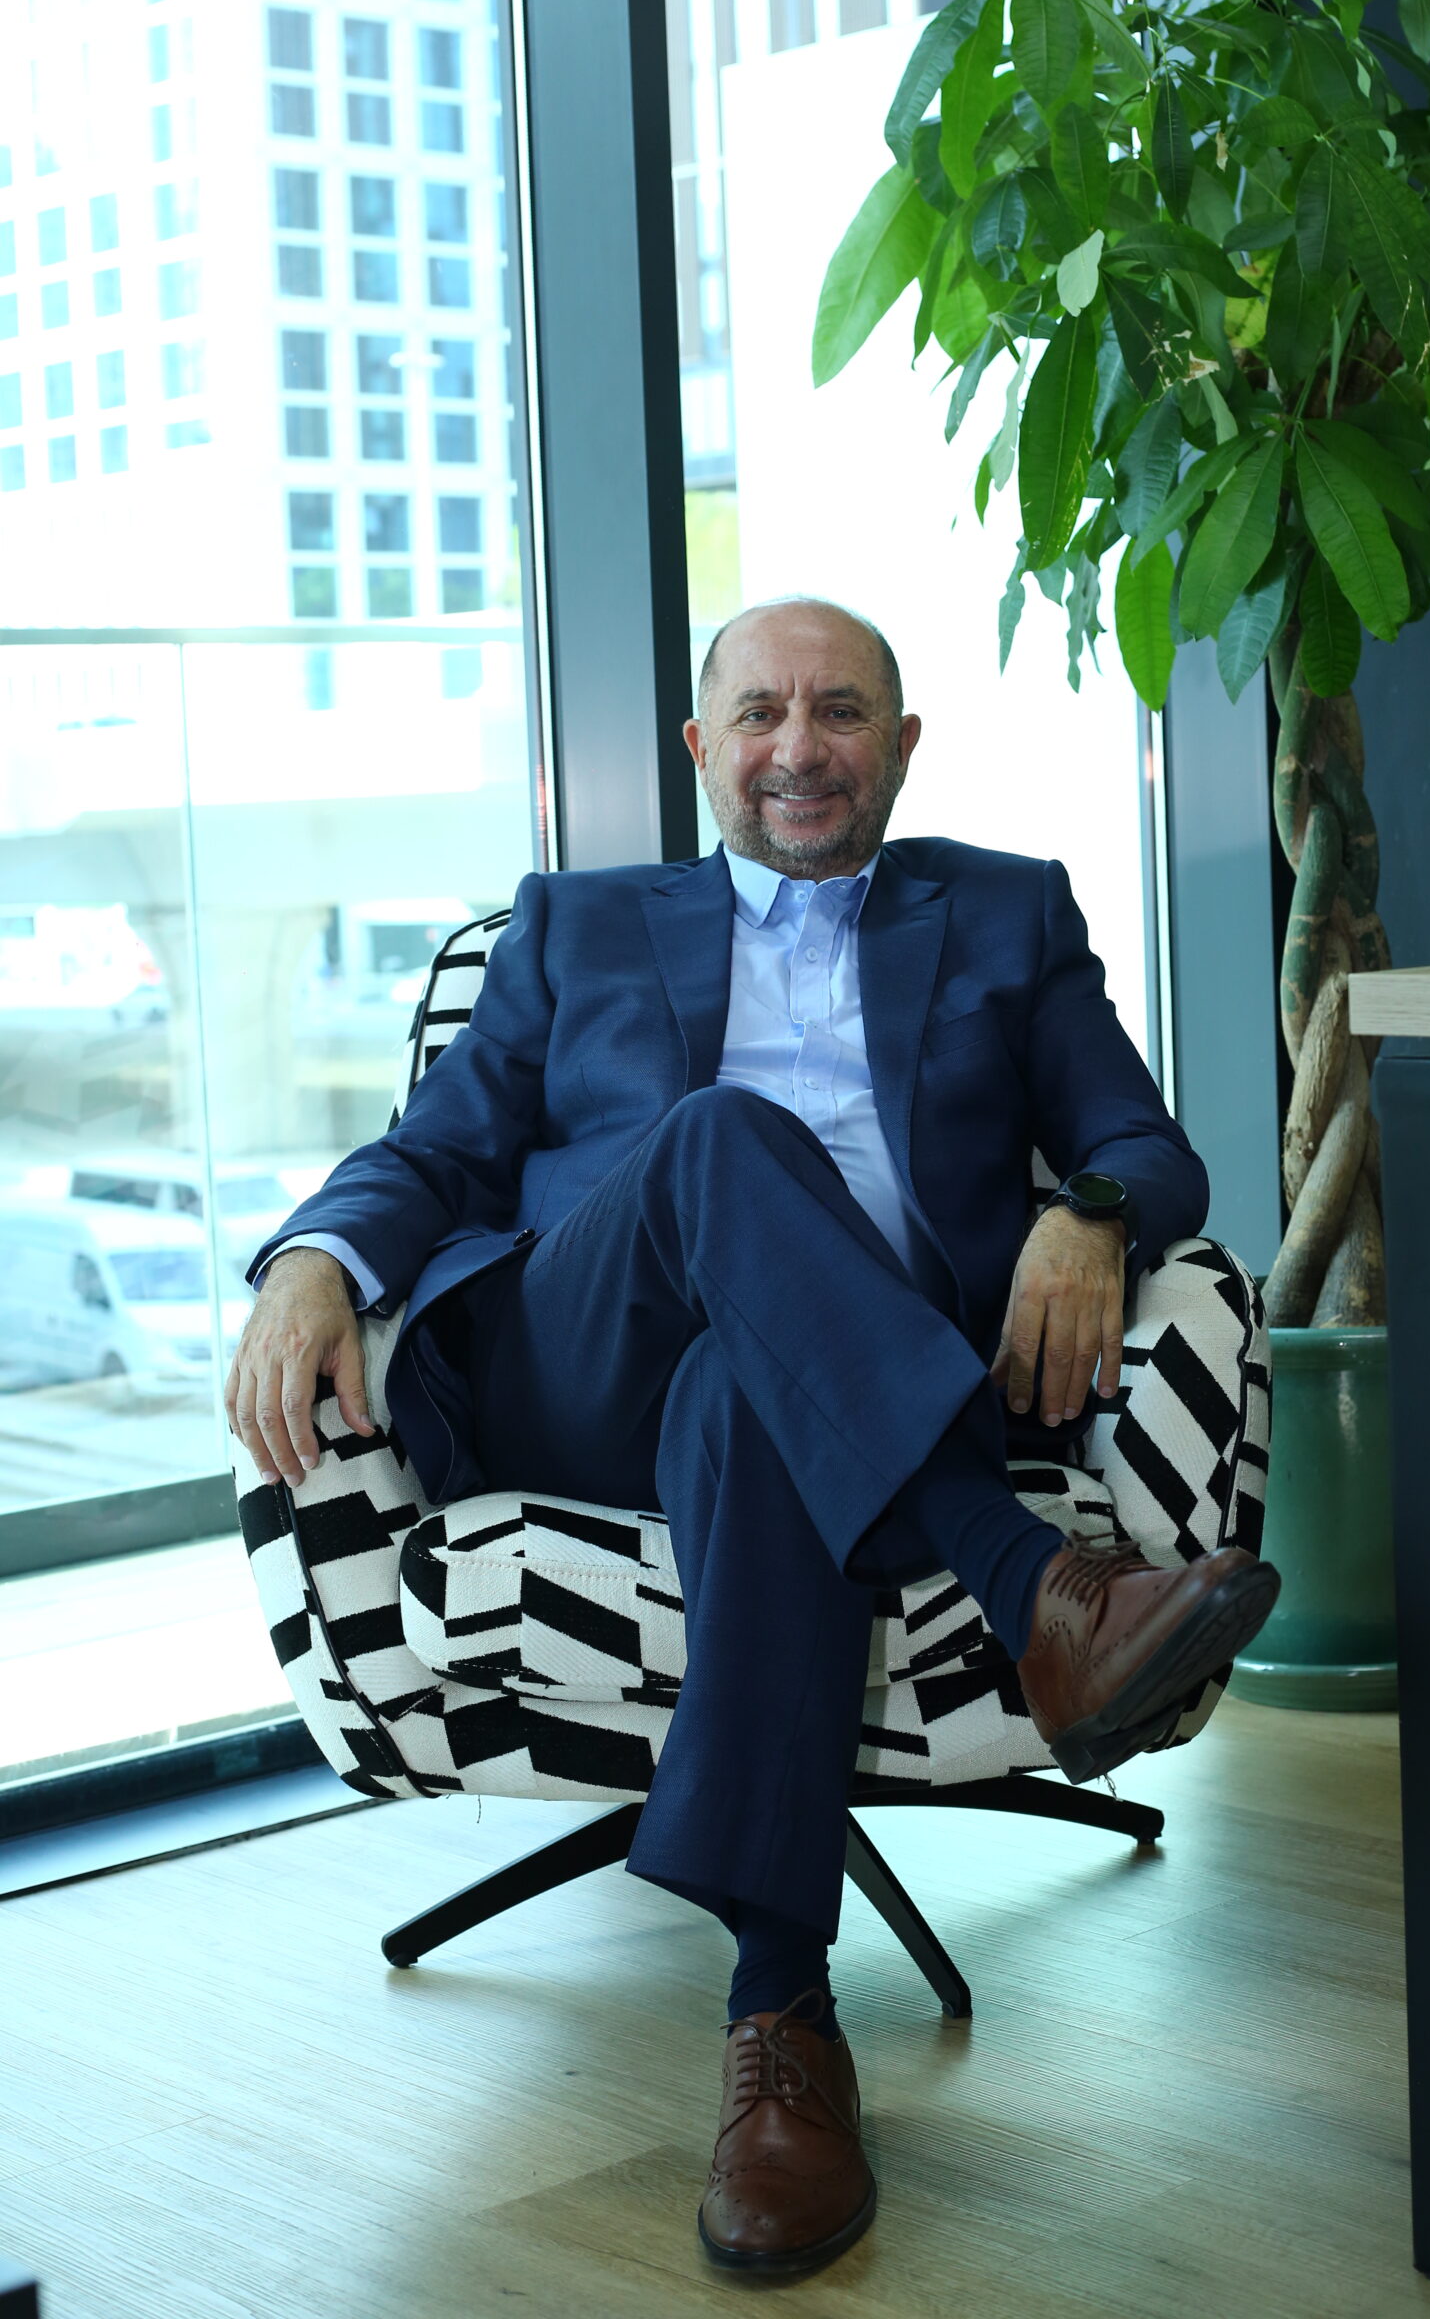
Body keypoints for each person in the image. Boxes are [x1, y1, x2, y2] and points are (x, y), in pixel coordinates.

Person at [227, 597, 1279, 2281]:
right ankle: (1033, 1586)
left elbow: (1145, 1143)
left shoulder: (1006, 912)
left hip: (827, 1390)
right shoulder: (575, 925)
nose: (801, 748)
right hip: (577, 1374)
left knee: (752, 1398)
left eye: (843, 712)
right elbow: (437, 1152)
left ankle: (781, 2020)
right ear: (703, 747)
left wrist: (1087, 1215)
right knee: (723, 1137)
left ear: (904, 746)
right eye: (763, 715)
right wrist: (309, 1262)